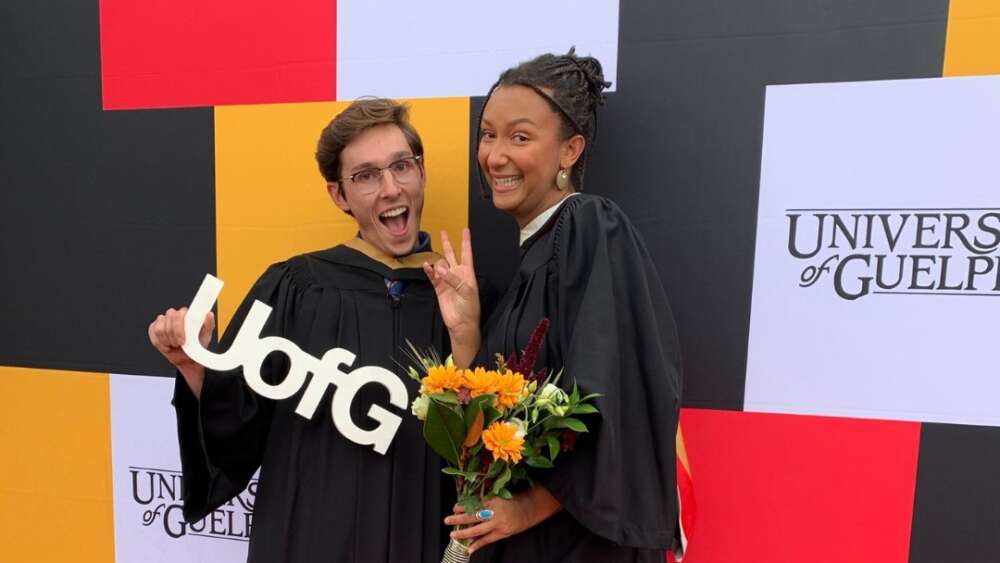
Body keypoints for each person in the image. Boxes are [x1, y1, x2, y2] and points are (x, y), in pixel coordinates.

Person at [148, 98, 471, 562]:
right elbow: (239, 427)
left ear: (421, 173)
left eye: (402, 166)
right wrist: (195, 366)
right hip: (311, 532)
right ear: (338, 195)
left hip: (419, 533)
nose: (390, 188)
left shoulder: (461, 298)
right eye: (365, 176)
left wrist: (469, 331)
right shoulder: (296, 287)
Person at [425, 50, 683, 562]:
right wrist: (467, 335)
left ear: (570, 151)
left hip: (574, 546)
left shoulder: (589, 227)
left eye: (520, 137)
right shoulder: (532, 255)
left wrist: (527, 508)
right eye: (488, 134)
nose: (495, 155)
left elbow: (614, 398)